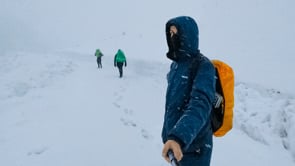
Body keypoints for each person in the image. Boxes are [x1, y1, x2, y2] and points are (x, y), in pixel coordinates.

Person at [161, 16, 216, 166]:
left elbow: (200, 105)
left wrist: (179, 138)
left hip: (194, 149)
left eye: (175, 34)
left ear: (186, 35)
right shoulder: (176, 66)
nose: (172, 37)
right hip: (176, 146)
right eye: (170, 34)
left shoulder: (204, 66)